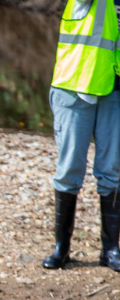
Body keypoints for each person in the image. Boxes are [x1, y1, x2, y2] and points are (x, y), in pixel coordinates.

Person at [42, 0, 120, 271]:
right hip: (76, 85)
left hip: (114, 90)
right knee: (69, 169)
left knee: (111, 169)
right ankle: (62, 248)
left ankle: (110, 249)